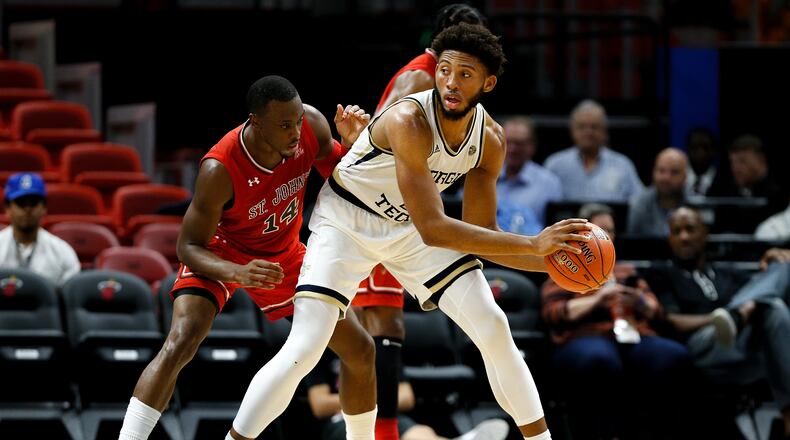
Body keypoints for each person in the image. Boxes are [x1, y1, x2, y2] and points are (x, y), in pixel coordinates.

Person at [229, 23, 591, 440]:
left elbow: (482, 234)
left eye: (466, 74)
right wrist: (533, 243)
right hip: (349, 219)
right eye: (445, 70)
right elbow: (436, 228)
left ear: (488, 83)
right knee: (306, 346)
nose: (451, 82)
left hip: (408, 229)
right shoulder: (409, 119)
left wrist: (552, 263)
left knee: (493, 323)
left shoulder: (490, 139)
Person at [118, 75, 377, 440]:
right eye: (285, 125)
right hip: (222, 252)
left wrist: (354, 149)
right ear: (255, 122)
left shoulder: (311, 128)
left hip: (283, 256)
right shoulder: (219, 168)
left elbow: (347, 187)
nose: (295, 131)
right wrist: (238, 272)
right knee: (182, 339)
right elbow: (187, 247)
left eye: (298, 120)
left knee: (361, 349)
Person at [361, 4, 487, 439]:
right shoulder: (419, 78)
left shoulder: (441, 81)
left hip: (398, 212)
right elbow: (381, 150)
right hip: (372, 210)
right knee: (378, 328)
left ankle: (382, 430)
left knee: (378, 330)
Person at [542, 203, 691, 439]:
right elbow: (554, 313)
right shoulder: (566, 269)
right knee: (601, 359)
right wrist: (597, 299)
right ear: (582, 235)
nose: (608, 236)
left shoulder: (625, 271)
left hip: (632, 334)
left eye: (610, 231)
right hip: (586, 336)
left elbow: (657, 311)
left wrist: (639, 301)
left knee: (672, 354)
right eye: (601, 230)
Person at [645, 206, 790, 439]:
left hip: (743, 347)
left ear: (705, 234)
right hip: (701, 347)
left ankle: (788, 417)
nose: (684, 237)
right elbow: (672, 322)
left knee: (779, 280)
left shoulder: (727, 272)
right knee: (768, 306)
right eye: (676, 231)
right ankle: (733, 316)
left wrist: (771, 264)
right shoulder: (662, 273)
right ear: (669, 238)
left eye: (690, 229)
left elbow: (763, 294)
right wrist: (718, 317)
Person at [306, 347, 510, 440]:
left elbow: (406, 397)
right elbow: (320, 405)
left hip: (384, 414)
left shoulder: (383, 343)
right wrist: (370, 400)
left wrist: (368, 402)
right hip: (341, 420)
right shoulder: (321, 347)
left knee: (421, 434)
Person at [543, 99, 644, 203]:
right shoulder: (555, 165)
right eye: (582, 127)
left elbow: (639, 202)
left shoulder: (622, 164)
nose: (588, 132)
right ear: (572, 131)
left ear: (605, 131)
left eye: (594, 127)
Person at [0, 172, 80, 286]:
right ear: (7, 208)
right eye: (21, 203)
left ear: (44, 207)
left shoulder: (62, 252)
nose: (27, 209)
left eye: (33, 203)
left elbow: (70, 297)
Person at [496, 116, 562, 234]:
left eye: (519, 143)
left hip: (535, 249)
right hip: (486, 249)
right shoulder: (483, 176)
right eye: (507, 142)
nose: (512, 149)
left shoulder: (549, 183)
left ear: (532, 146)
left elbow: (557, 226)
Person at [626, 147, 689, 237]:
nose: (666, 178)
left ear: (685, 176)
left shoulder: (693, 205)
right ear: (653, 173)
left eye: (674, 172)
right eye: (661, 171)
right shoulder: (639, 204)